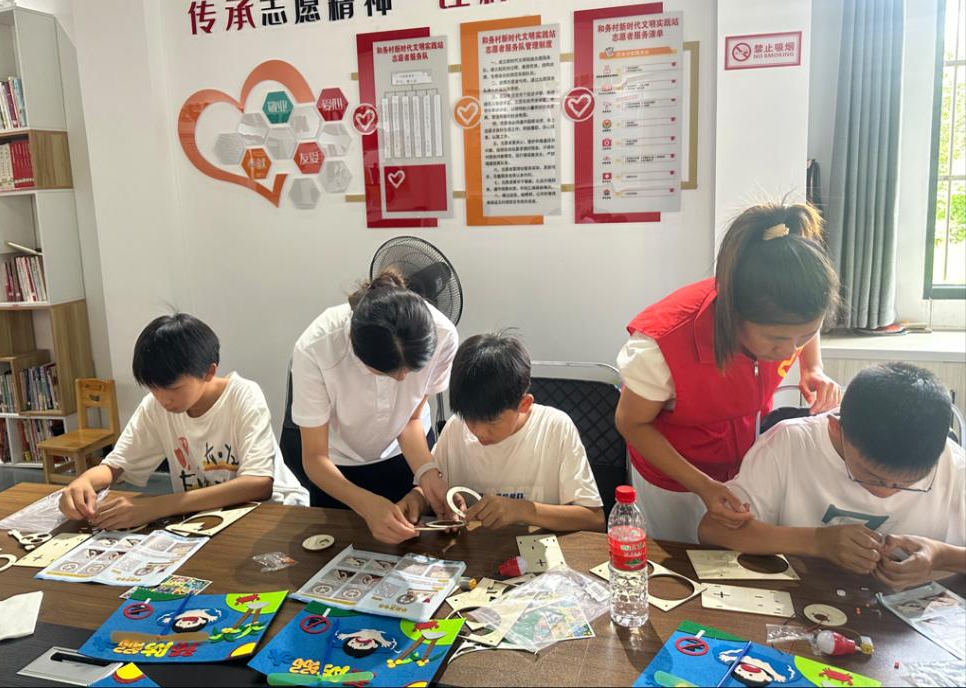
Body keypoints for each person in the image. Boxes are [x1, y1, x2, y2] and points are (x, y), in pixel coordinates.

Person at [615, 202, 842, 543]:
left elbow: (801, 328)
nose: (789, 350)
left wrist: (813, 367)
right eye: (777, 340)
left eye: (805, 335)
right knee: (683, 559)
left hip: (741, 463)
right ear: (733, 314)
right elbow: (631, 423)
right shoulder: (661, 348)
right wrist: (702, 485)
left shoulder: (786, 318)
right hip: (675, 478)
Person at [697, 363, 966, 589]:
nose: (886, 492)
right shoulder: (789, 444)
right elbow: (713, 530)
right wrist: (817, 541)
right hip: (802, 603)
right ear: (837, 428)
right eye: (871, 476)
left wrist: (940, 557)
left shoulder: (954, 464)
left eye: (908, 484)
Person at [59, 314, 308, 527]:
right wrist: (84, 482)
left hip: (274, 512)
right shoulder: (156, 406)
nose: (163, 399)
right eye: (153, 389)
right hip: (206, 517)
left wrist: (156, 505)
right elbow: (114, 466)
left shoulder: (243, 395)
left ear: (209, 372)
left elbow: (258, 484)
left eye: (174, 388)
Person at [292, 270, 458, 543]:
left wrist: (427, 473)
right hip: (338, 472)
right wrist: (365, 504)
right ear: (353, 344)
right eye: (386, 373)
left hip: (405, 459)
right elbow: (314, 458)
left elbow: (411, 420)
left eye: (411, 371)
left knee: (413, 546)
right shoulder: (316, 347)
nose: (402, 379)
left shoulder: (443, 335)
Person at [399, 333, 604, 532]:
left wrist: (523, 510)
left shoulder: (555, 428)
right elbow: (430, 488)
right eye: (470, 419)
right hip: (474, 551)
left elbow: (594, 519)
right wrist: (417, 499)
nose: (479, 432)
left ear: (524, 404)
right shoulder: (455, 428)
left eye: (492, 421)